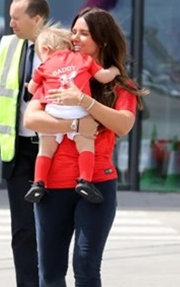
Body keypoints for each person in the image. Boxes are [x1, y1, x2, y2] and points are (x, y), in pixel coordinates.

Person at [23, 7, 147, 287]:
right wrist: (78, 121)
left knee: (87, 266)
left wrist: (87, 101)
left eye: (83, 34)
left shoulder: (117, 84)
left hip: (96, 183)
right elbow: (32, 118)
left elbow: (122, 124)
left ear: (102, 41)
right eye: (74, 32)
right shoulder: (57, 70)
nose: (74, 39)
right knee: (48, 273)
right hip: (52, 186)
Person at [0, 0, 49, 287]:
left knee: (52, 229)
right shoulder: (9, 46)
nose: (10, 24)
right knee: (23, 229)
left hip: (52, 151)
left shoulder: (63, 48)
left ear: (36, 18)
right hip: (18, 152)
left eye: (16, 17)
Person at [23, 25, 120, 204]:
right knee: (86, 144)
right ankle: (84, 180)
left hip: (54, 110)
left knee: (45, 149)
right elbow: (104, 77)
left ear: (46, 49)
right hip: (77, 108)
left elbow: (32, 88)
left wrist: (30, 85)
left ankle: (38, 183)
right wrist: (115, 70)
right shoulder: (82, 59)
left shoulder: (43, 67)